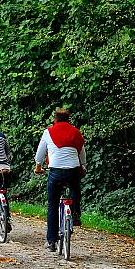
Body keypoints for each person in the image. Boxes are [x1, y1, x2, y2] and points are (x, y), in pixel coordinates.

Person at [34, 108, 86, 253]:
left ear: (55, 120)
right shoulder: (76, 132)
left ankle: (51, 241)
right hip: (73, 170)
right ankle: (75, 213)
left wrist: (38, 167)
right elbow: (82, 152)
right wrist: (83, 166)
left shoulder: (48, 132)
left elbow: (39, 155)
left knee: (53, 205)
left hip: (55, 171)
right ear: (68, 120)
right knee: (75, 189)